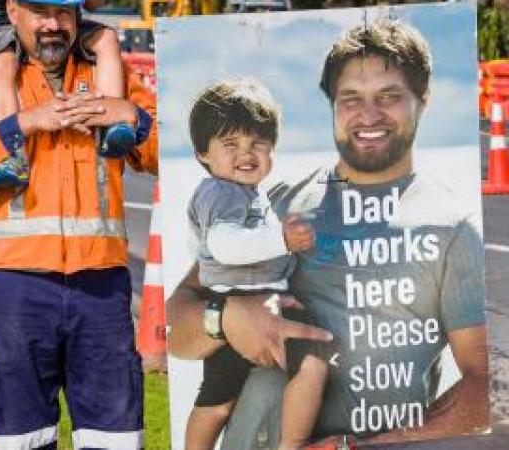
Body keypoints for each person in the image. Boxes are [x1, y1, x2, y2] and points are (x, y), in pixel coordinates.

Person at [167, 17, 489, 449]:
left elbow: (483, 390)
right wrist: (224, 317)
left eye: (389, 96)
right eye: (350, 98)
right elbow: (178, 331)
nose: (368, 115)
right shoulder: (278, 204)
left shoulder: (451, 228)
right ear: (332, 104)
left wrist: (355, 447)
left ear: (423, 100)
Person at [0, 0, 156, 447]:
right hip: (17, 286)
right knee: (24, 437)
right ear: (12, 12)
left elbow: (166, 152)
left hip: (102, 287)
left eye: (64, 13)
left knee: (118, 438)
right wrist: (25, 124)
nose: (53, 25)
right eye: (40, 12)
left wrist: (132, 118)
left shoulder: (109, 74)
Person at [183, 78, 337, 450]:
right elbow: (224, 246)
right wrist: (281, 239)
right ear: (204, 152)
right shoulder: (219, 193)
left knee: (310, 365)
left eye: (258, 144)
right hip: (233, 313)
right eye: (231, 144)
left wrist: (279, 286)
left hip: (258, 302)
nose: (246, 153)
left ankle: (291, 442)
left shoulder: (247, 194)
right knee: (217, 404)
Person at [0, 0, 132, 188]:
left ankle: (111, 126)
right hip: (6, 27)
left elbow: (91, 5)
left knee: (106, 39)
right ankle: (11, 155)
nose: (52, 25)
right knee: (2, 62)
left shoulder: (60, 21)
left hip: (70, 24)